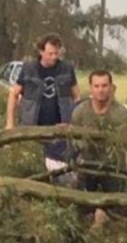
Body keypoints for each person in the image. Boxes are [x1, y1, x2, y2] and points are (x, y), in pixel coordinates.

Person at [5, 34, 81, 172]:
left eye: (56, 53)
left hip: (59, 130)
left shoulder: (66, 68)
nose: (54, 57)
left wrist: (74, 123)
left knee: (59, 166)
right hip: (32, 128)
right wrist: (10, 124)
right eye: (50, 53)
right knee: (31, 165)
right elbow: (13, 94)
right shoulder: (29, 68)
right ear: (41, 52)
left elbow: (77, 96)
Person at [70, 70, 127, 227]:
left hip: (112, 167)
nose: (100, 90)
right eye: (97, 86)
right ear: (91, 88)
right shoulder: (80, 112)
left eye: (104, 86)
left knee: (115, 210)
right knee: (81, 208)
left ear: (111, 87)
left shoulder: (121, 113)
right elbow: (74, 143)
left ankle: (105, 218)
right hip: (87, 166)